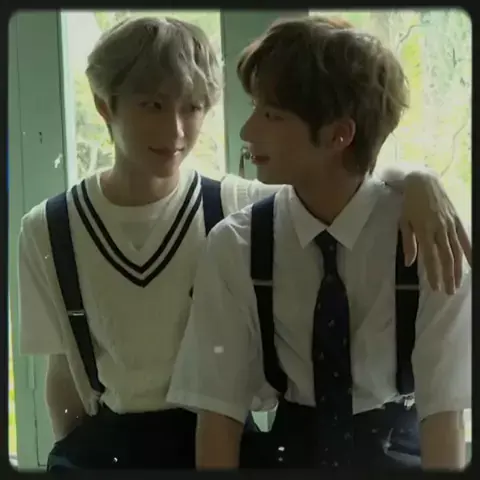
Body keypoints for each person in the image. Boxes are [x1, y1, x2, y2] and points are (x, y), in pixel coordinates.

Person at [18, 16, 470, 470]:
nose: (176, 130)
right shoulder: (55, 229)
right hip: (125, 447)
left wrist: (420, 179)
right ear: (105, 106)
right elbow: (64, 371)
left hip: (359, 444)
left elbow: (344, 180)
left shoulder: (240, 207)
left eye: (194, 107)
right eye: (152, 105)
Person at [167, 16, 471, 471]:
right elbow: (218, 416)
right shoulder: (236, 245)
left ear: (337, 135)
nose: (247, 131)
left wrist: (419, 178)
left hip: (400, 452)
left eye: (271, 115)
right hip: (290, 456)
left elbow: (444, 413)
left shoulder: (428, 237)